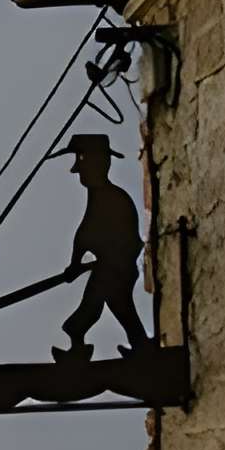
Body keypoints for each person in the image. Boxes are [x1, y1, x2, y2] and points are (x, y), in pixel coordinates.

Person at [54, 133, 148, 359]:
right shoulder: (103, 196)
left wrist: (75, 265)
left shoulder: (111, 198)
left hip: (114, 269)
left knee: (92, 310)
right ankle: (143, 348)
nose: (78, 171)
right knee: (120, 309)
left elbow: (86, 234)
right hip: (111, 269)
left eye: (83, 162)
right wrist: (75, 264)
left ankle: (78, 348)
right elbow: (85, 235)